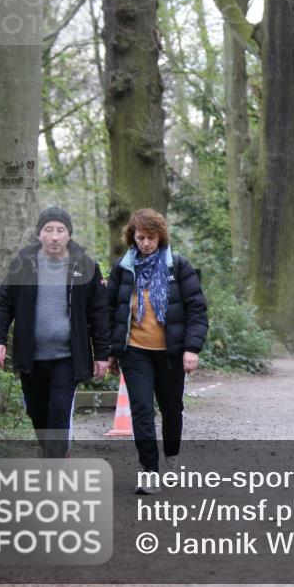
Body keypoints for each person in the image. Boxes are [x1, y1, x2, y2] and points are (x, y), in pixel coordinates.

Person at [0, 206, 111, 458]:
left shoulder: (86, 266)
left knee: (58, 412)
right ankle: (54, 452)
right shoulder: (22, 264)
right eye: (49, 230)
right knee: (37, 413)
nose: (54, 236)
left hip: (68, 357)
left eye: (60, 230)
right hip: (31, 356)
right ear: (39, 234)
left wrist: (102, 354)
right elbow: (4, 303)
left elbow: (99, 313)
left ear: (69, 235)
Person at [106, 209, 208, 494]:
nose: (146, 243)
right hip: (135, 351)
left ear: (160, 236)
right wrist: (112, 350)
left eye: (151, 237)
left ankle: (171, 456)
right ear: (132, 237)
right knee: (141, 409)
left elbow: (197, 310)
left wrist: (192, 348)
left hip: (171, 352)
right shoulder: (123, 268)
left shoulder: (178, 266)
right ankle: (149, 471)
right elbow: (110, 310)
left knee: (172, 409)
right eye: (140, 237)